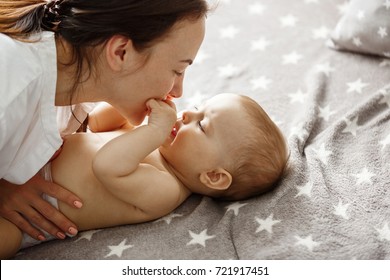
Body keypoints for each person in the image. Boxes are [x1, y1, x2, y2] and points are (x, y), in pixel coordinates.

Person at [0, 0, 209, 242]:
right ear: (121, 52)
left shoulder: (70, 84)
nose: (179, 92)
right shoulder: (10, 92)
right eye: (178, 70)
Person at [0, 93, 289, 259]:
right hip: (24, 159)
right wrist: (132, 105)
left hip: (31, 215)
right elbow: (94, 124)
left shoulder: (166, 190)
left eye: (202, 125)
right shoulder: (150, 141)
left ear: (213, 176)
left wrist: (152, 132)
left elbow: (107, 166)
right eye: (198, 107)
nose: (188, 113)